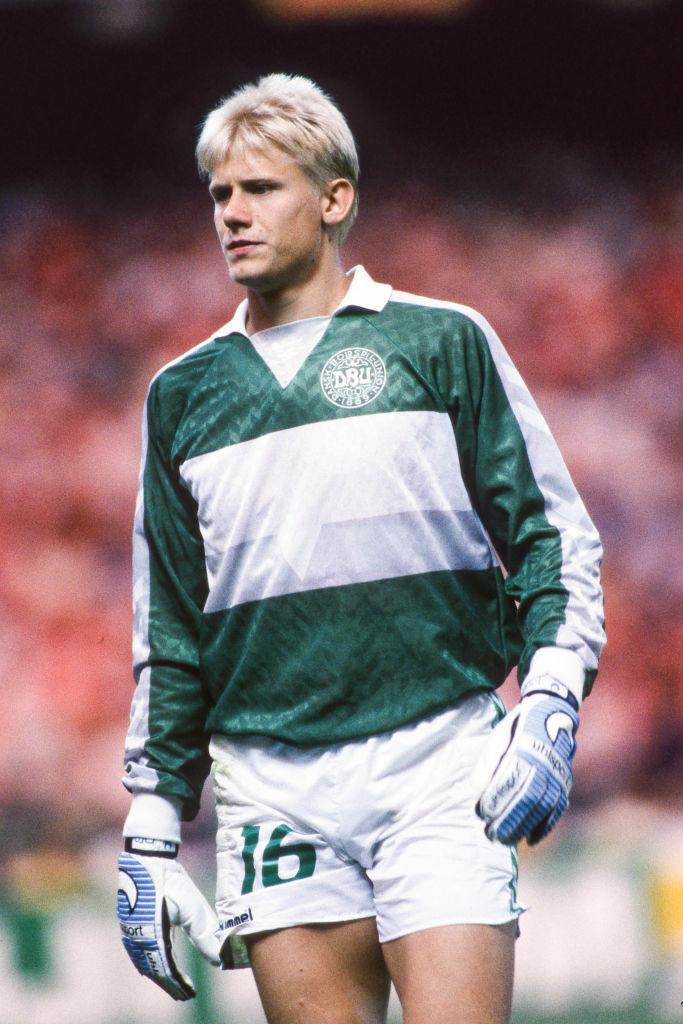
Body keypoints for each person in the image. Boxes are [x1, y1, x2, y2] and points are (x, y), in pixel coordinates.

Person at [116, 73, 605, 1024]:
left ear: (334, 199)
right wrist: (151, 822)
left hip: (437, 762)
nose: (232, 214)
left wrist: (549, 699)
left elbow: (551, 541)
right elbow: (170, 628)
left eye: (261, 189)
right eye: (220, 193)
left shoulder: (442, 342)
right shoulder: (181, 394)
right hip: (271, 787)